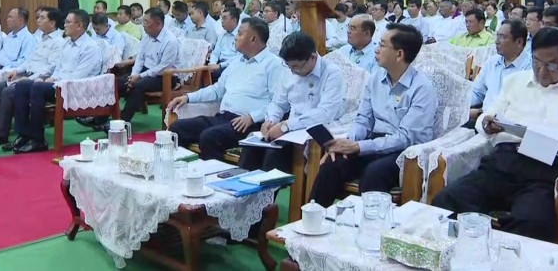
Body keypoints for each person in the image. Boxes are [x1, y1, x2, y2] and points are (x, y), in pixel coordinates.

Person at [433, 28, 558, 242]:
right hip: (501, 164)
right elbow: (487, 116)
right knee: (448, 200)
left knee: (532, 223)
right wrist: (486, 124)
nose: (542, 72)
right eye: (536, 63)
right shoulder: (516, 81)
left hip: (544, 173)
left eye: (552, 65)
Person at [309, 23, 436, 207]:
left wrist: (358, 146)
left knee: (374, 173)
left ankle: (370, 224)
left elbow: (405, 138)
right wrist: (347, 143)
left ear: (399, 54)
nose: (376, 49)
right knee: (332, 163)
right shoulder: (376, 79)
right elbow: (364, 119)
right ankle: (313, 217)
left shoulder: (422, 89)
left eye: (382, 45)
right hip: (374, 143)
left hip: (405, 153)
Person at [168, 17, 285, 160]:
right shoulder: (237, 61)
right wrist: (188, 97)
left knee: (209, 137)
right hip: (224, 117)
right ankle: (181, 170)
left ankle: (213, 173)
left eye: (240, 33)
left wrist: (253, 117)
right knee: (177, 128)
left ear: (253, 39)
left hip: (247, 123)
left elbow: (277, 102)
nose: (235, 37)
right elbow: (217, 90)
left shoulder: (274, 65)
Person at [239, 33, 344, 172]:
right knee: (252, 148)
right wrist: (271, 120)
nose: (293, 72)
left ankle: (270, 187)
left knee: (274, 153)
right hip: (290, 128)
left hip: (316, 129)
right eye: (289, 66)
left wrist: (286, 126)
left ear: (313, 57)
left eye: (296, 67)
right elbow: (278, 102)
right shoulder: (288, 69)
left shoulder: (332, 73)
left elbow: (325, 113)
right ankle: (242, 186)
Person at [11, 9, 102, 153]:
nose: (64, 25)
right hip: (59, 84)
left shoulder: (90, 47)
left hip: (76, 89)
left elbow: (78, 76)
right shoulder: (67, 43)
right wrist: (52, 77)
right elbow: (59, 67)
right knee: (22, 85)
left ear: (79, 25)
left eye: (68, 22)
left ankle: (38, 140)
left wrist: (54, 82)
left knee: (38, 87)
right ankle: (24, 134)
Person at [0, 8, 65, 148]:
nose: (38, 20)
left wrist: (29, 78)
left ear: (52, 23)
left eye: (42, 18)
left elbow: (51, 68)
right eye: (38, 17)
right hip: (27, 74)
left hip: (39, 79)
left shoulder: (58, 42)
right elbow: (29, 60)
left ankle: (2, 134)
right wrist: (17, 71)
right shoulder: (41, 38)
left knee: (8, 92)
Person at [119, 8, 180, 122]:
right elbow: (140, 58)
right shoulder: (147, 37)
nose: (143, 25)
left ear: (158, 23)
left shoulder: (170, 41)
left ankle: (123, 121)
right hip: (146, 72)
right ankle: (101, 118)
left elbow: (163, 68)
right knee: (119, 82)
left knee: (138, 85)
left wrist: (139, 77)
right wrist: (134, 74)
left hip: (165, 77)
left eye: (146, 21)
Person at [469, 20, 531, 124]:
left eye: (503, 37)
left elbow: (520, 107)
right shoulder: (491, 62)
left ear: (519, 42)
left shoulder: (529, 68)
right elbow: (477, 92)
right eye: (497, 36)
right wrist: (461, 105)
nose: (497, 41)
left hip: (508, 124)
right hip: (481, 120)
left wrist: (480, 113)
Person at [209, 8, 241, 82]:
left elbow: (239, 58)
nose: (222, 21)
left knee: (216, 74)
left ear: (234, 20)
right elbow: (215, 53)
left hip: (233, 65)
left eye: (224, 18)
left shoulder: (241, 35)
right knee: (204, 72)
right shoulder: (222, 34)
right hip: (219, 63)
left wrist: (220, 65)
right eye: (221, 18)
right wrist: (212, 63)